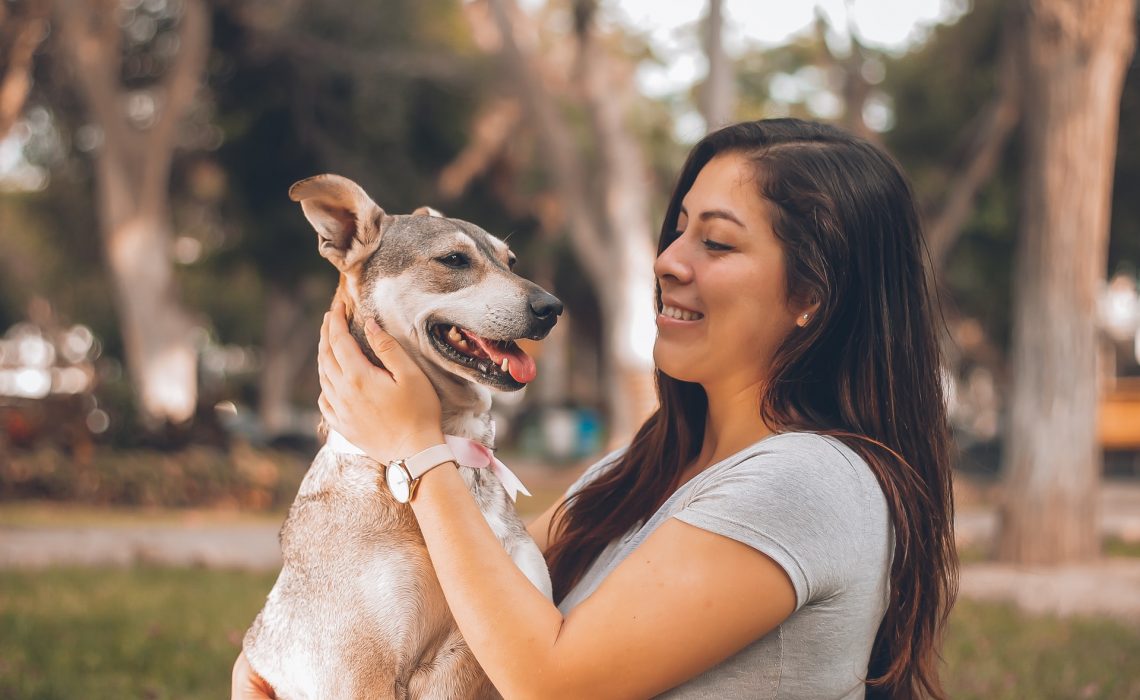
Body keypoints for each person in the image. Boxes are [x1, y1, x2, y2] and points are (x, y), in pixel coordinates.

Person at [232, 118, 957, 699]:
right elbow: (456, 582)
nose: (669, 259)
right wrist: (275, 662)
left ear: (809, 298)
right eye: (678, 229)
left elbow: (548, 683)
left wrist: (417, 446)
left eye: (716, 241)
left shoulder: (807, 482)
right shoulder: (639, 470)